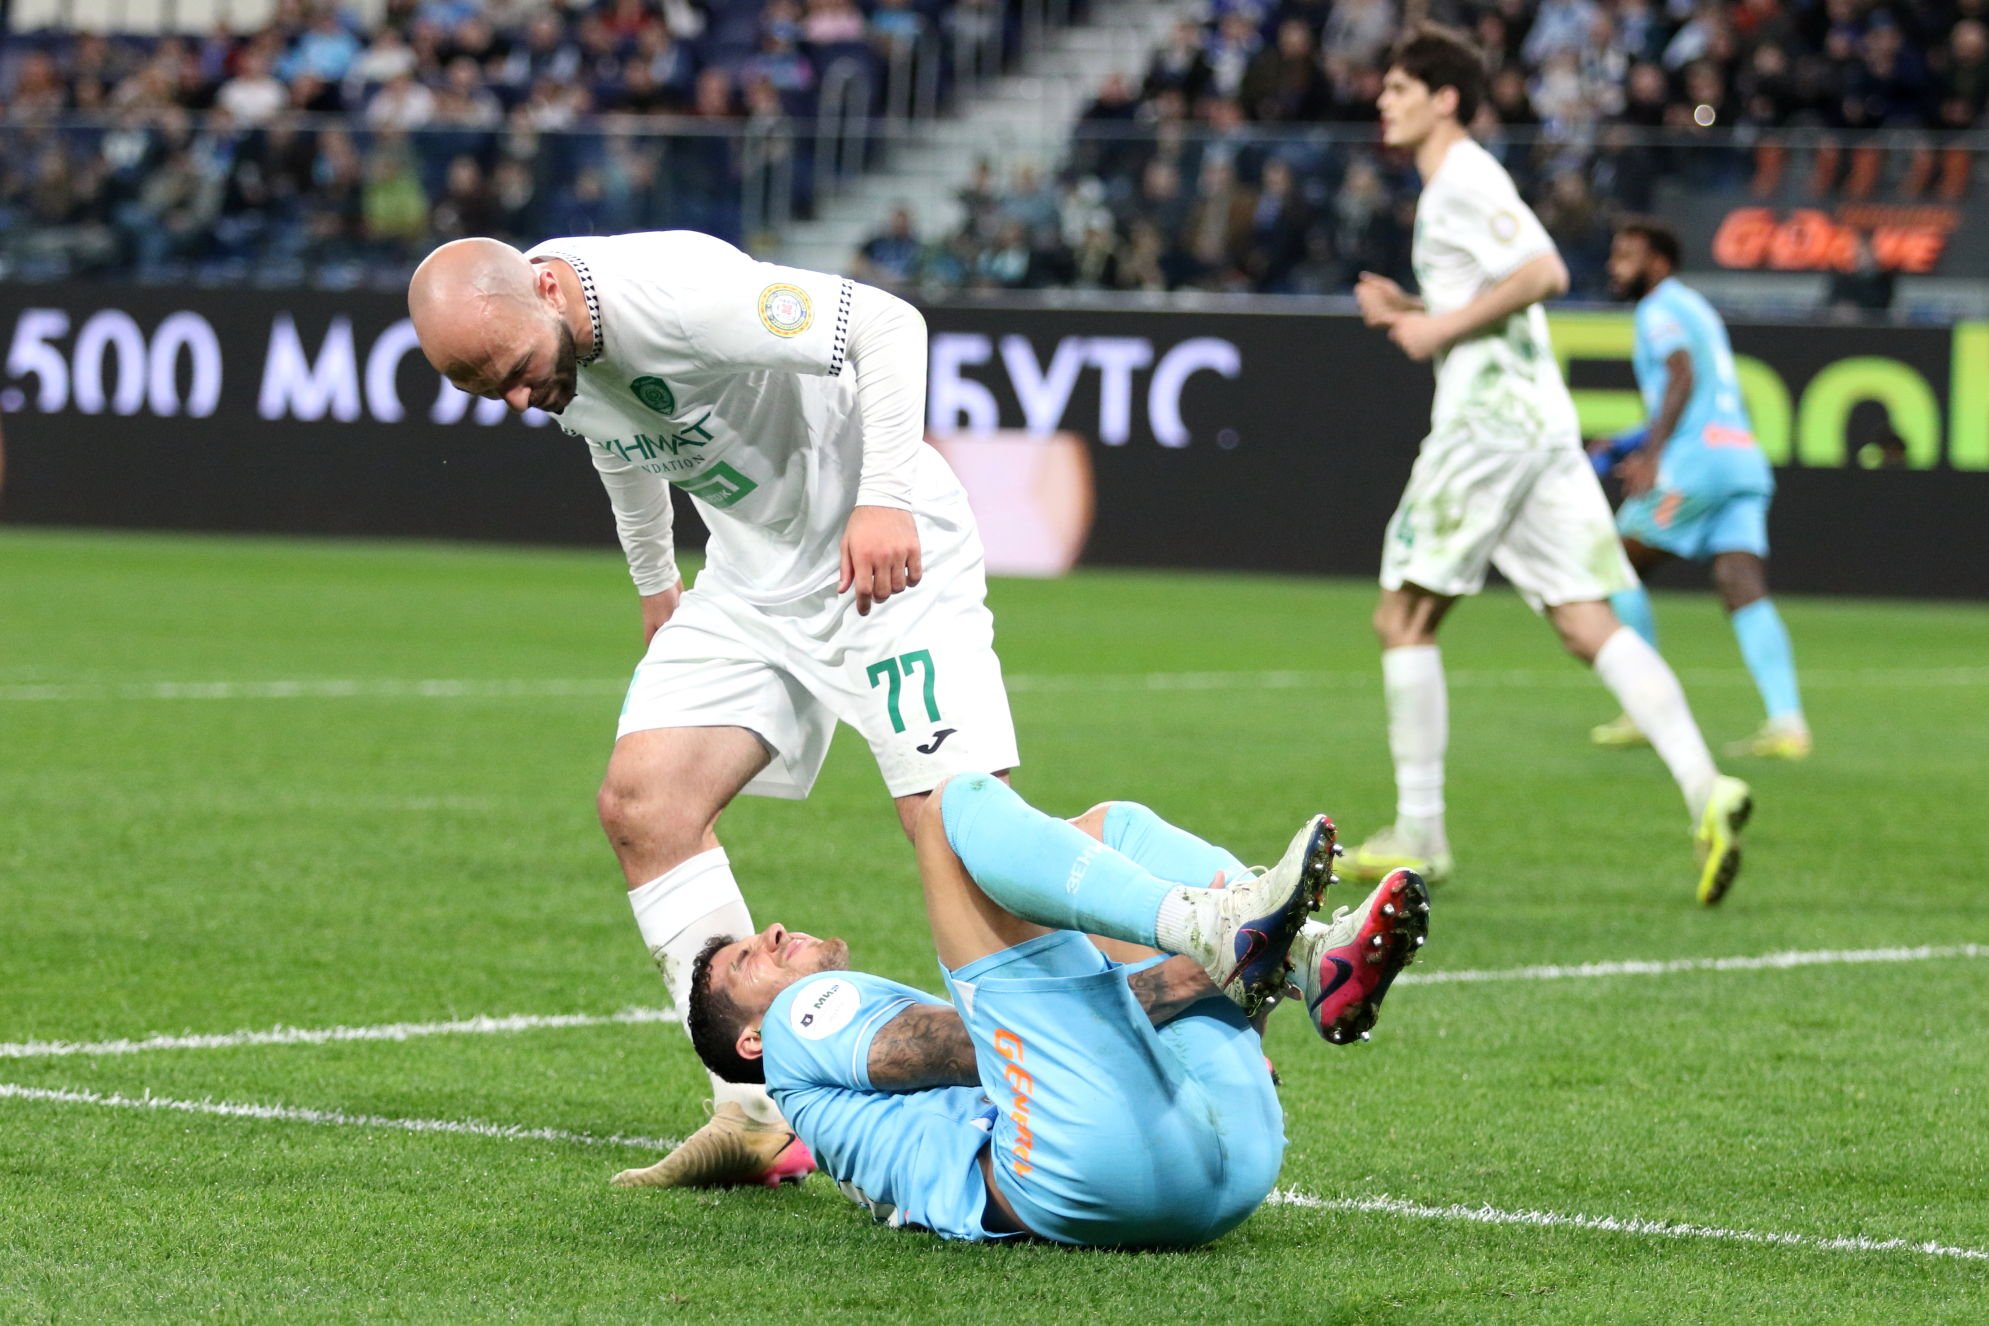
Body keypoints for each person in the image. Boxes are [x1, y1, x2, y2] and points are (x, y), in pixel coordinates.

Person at [407, 233, 1021, 1188]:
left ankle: (1080, 1066)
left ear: (547, 289)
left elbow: (888, 324)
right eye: (490, 392)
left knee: (959, 832)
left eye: (517, 372)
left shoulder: (678, 296)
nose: (520, 399)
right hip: (749, 577)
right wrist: (656, 582)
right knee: (644, 806)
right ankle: (756, 1112)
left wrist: (885, 497)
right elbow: (615, 438)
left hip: (881, 556)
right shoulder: (543, 343)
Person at [678, 774, 1432, 1245]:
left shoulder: (833, 1066)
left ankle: (1304, 956)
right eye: (745, 962)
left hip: (1204, 1165)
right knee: (948, 810)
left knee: (1108, 830)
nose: (771, 933)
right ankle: (1233, 937)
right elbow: (962, 1049)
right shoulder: (794, 1029)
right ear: (750, 1042)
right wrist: (1200, 979)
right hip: (1077, 1170)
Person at [1349, 25, 1752, 905]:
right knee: (1583, 621)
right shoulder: (1456, 185)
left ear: (1444, 99)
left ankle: (1421, 832)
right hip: (1537, 428)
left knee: (1401, 617)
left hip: (1487, 427)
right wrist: (1411, 309)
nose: (1383, 100)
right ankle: (1706, 788)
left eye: (1400, 87)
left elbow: (1540, 271)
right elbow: (1491, 296)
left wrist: (1434, 326)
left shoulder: (1462, 177)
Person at [1588, 220, 1809, 759]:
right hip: (1740, 458)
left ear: (1658, 263)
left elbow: (1681, 373)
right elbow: (1702, 390)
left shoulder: (1657, 309)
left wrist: (1651, 454)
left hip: (1696, 465)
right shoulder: (1697, 308)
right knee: (1741, 582)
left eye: (1627, 255)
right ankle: (1788, 724)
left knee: (1614, 563)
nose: (1615, 266)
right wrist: (1628, 441)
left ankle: (1647, 710)